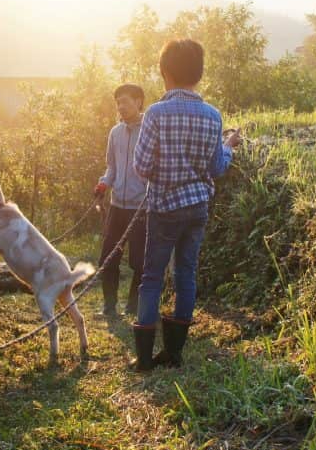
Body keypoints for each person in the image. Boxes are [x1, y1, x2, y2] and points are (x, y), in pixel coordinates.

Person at [130, 39, 241, 372]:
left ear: (165, 72)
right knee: (185, 275)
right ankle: (175, 354)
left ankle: (146, 358)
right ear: (199, 74)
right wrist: (229, 146)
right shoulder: (213, 116)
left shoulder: (156, 113)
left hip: (164, 207)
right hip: (197, 208)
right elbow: (217, 167)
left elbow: (142, 166)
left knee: (152, 277)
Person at [94, 83, 148, 318]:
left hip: (141, 207)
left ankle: (134, 306)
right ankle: (109, 306)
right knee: (108, 257)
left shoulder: (150, 130)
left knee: (139, 261)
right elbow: (112, 167)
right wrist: (104, 183)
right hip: (117, 205)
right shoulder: (115, 133)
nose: (121, 107)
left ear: (138, 102)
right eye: (118, 103)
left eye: (125, 101)